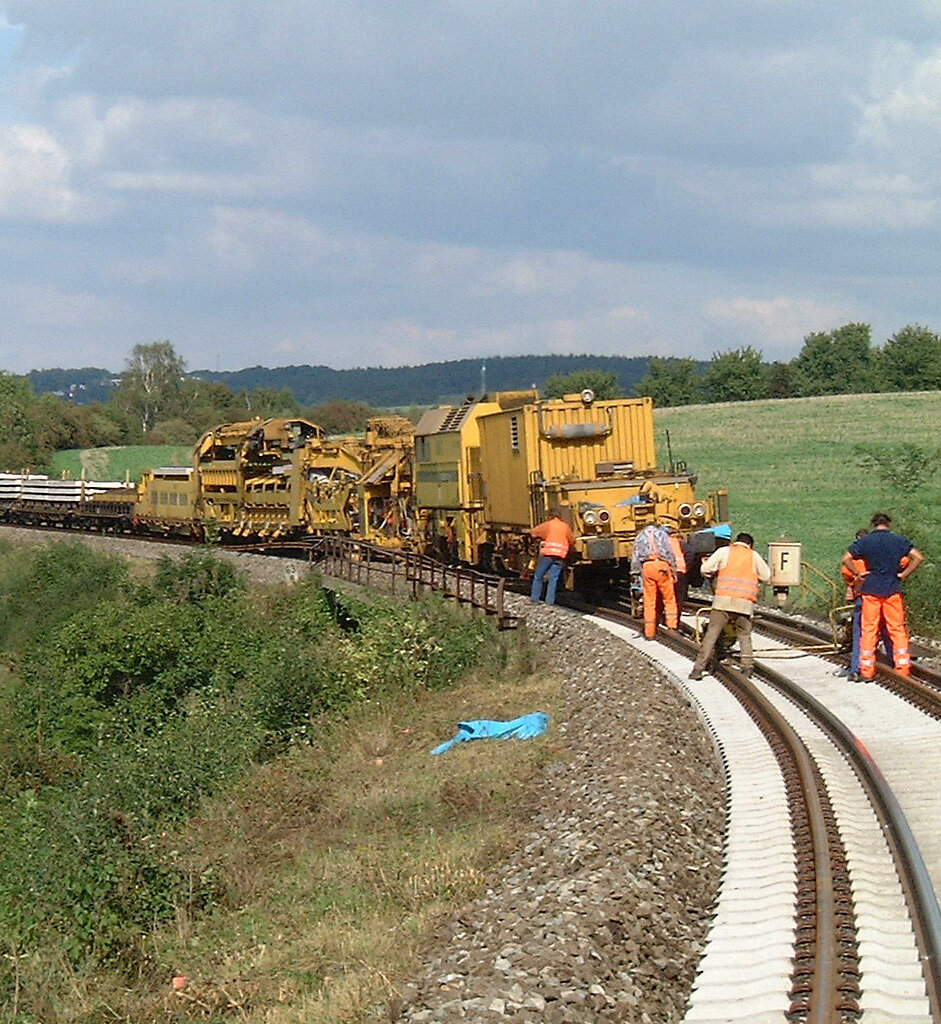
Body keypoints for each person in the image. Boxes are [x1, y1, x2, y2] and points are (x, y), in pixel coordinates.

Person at [842, 512, 923, 680]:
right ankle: (902, 668)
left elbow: (846, 559)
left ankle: (866, 671)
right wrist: (904, 574)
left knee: (869, 629)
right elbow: (918, 557)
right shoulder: (898, 540)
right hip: (893, 589)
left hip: (871, 591)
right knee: (897, 629)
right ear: (889, 524)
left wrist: (859, 573)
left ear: (873, 525)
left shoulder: (865, 541)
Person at [689, 532, 771, 680]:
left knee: (711, 634)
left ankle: (698, 669)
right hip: (744, 603)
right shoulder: (754, 556)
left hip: (723, 601)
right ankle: (747, 667)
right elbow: (767, 576)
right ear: (750, 544)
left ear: (735, 541)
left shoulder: (724, 552)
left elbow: (705, 569)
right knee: (744, 635)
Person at [840, 528, 895, 681]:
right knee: (887, 630)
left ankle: (857, 668)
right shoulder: (882, 554)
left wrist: (855, 581)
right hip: (886, 595)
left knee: (862, 633)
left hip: (864, 598)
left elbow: (846, 572)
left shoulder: (856, 560)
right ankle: (895, 664)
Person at [630, 521, 678, 638]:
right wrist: (673, 569)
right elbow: (669, 553)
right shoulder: (662, 534)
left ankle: (649, 632)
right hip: (662, 566)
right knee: (669, 598)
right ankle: (672, 626)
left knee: (649, 601)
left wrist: (635, 574)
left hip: (647, 567)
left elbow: (635, 558)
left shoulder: (639, 537)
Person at [529, 508, 575, 605]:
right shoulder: (565, 526)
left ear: (550, 516)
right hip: (560, 555)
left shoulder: (548, 524)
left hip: (548, 554)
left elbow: (533, 532)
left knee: (538, 576)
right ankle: (550, 601)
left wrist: (541, 538)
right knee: (553, 578)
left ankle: (534, 599)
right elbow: (572, 540)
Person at [665, 524, 693, 607]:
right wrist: (686, 566)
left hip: (667, 573)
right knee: (679, 599)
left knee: (668, 598)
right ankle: (676, 616)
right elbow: (690, 553)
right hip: (680, 571)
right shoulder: (678, 542)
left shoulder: (661, 543)